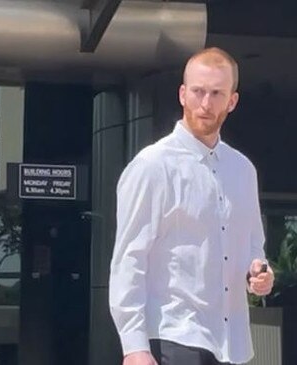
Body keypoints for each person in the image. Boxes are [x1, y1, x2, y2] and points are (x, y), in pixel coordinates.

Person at [109, 47, 274, 365]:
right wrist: (134, 346)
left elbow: (253, 246)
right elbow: (129, 259)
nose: (206, 103)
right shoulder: (153, 166)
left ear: (232, 101)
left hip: (231, 345)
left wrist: (259, 273)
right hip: (173, 338)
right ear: (182, 94)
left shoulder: (243, 171)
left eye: (216, 93)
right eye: (198, 92)